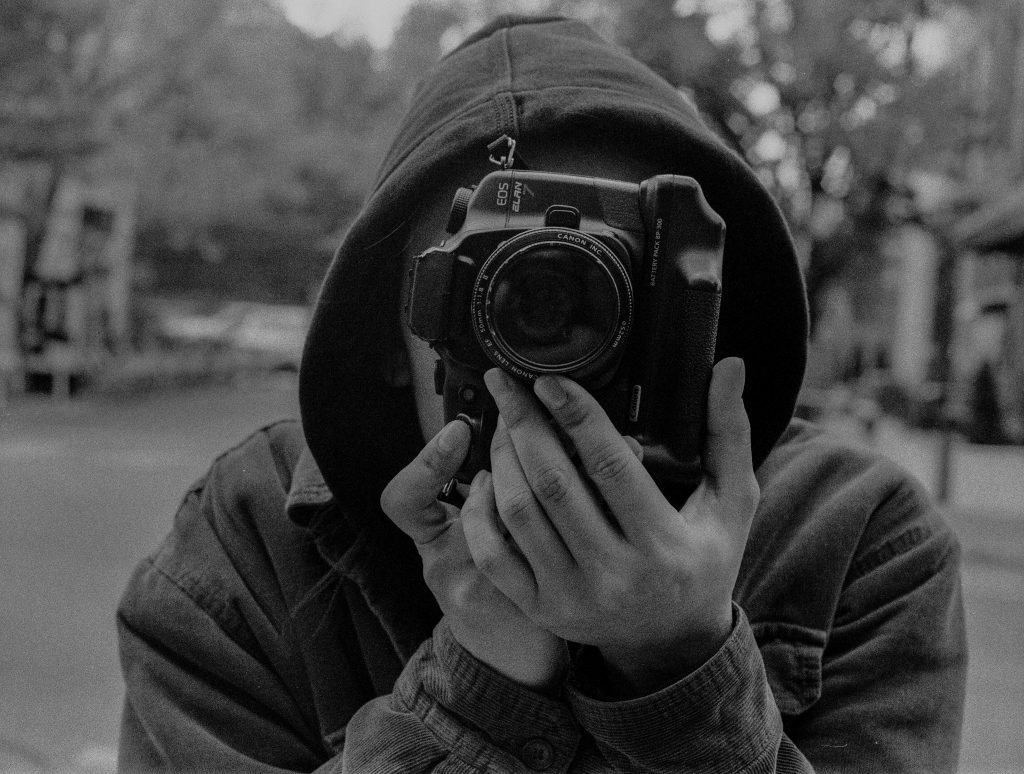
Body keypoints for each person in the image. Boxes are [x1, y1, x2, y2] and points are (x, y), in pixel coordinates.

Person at [116, 15, 966, 773]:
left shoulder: (855, 537)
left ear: (701, 316)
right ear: (393, 321)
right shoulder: (246, 545)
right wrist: (473, 692)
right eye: (503, 279)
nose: (554, 330)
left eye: (615, 282)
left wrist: (678, 660)